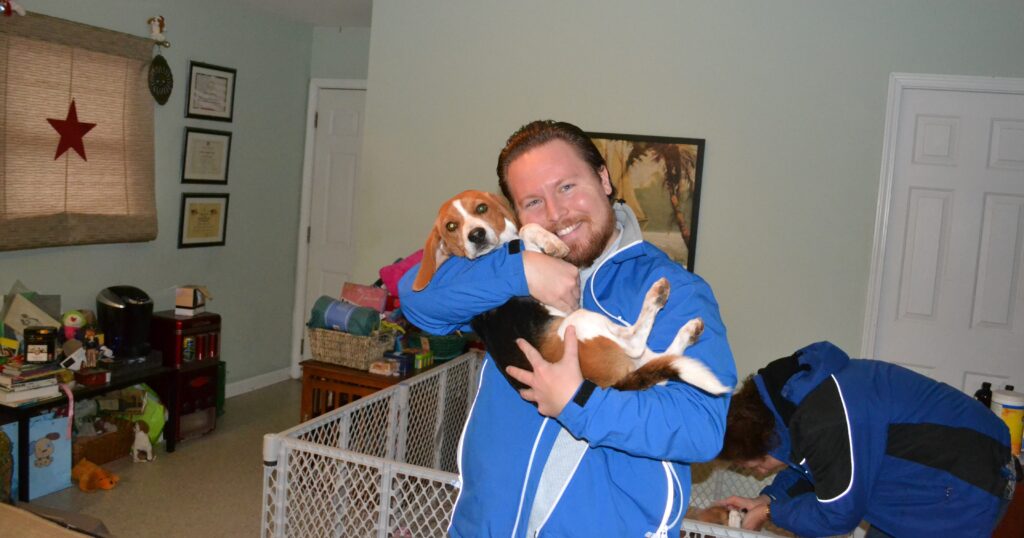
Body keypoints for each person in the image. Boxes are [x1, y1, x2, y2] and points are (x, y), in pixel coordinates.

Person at [398, 120, 736, 537]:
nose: (556, 214)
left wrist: (580, 402)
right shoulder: (502, 277)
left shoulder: (674, 290)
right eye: (533, 201)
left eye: (567, 187)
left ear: (604, 179)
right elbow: (417, 300)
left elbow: (701, 428)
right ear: (514, 213)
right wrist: (521, 271)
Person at [715, 340, 1018, 538]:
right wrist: (769, 499)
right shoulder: (796, 406)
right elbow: (820, 468)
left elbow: (837, 514)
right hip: (923, 490)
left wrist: (771, 512)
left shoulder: (826, 416)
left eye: (754, 465)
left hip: (969, 488)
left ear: (765, 439)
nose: (759, 472)